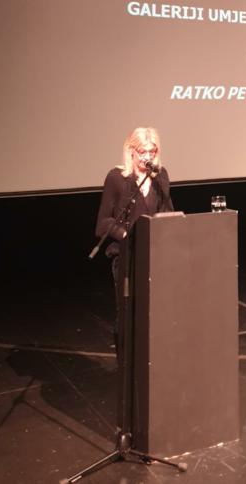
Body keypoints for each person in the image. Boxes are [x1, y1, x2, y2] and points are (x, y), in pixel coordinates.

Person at [95, 126, 174, 350]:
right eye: (143, 152)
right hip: (127, 257)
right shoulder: (117, 178)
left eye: (152, 151)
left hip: (156, 257)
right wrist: (126, 234)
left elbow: (168, 213)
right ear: (131, 151)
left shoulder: (161, 176)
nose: (148, 157)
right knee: (128, 316)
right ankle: (126, 365)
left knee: (157, 314)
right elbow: (103, 223)